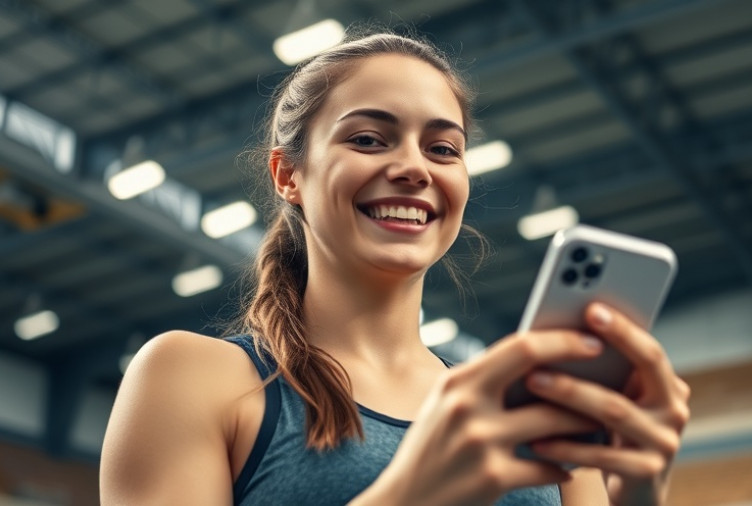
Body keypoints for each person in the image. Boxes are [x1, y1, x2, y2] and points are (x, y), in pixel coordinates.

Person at [99, 31, 690, 505]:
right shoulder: (196, 378)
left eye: (442, 149)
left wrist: (640, 490)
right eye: (369, 139)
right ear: (288, 175)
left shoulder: (522, 413)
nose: (414, 167)